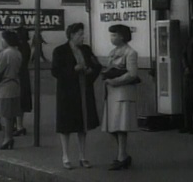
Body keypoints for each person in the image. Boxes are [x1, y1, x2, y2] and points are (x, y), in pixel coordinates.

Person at [51, 23, 102, 170]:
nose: (82, 37)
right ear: (71, 35)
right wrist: (73, 70)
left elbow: (96, 65)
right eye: (79, 34)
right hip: (67, 92)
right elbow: (55, 71)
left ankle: (82, 155)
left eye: (83, 34)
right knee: (65, 125)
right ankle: (65, 156)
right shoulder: (60, 51)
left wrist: (90, 72)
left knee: (83, 124)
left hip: (83, 90)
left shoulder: (86, 49)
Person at [102, 24, 139, 171]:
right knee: (112, 126)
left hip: (123, 92)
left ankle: (122, 156)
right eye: (111, 35)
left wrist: (114, 80)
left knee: (120, 126)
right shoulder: (113, 52)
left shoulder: (130, 52)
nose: (112, 38)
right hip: (112, 93)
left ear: (122, 36)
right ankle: (122, 154)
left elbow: (132, 74)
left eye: (115, 35)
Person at [0, 30, 22, 150]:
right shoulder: (17, 53)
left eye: (2, 39)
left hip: (5, 86)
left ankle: (7, 138)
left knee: (5, 114)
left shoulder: (5, 53)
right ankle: (9, 137)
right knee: (11, 113)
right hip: (15, 84)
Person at [14, 26, 32, 136]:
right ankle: (18, 125)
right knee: (21, 100)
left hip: (19, 75)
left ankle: (19, 126)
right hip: (24, 74)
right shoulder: (26, 45)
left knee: (19, 100)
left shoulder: (21, 46)